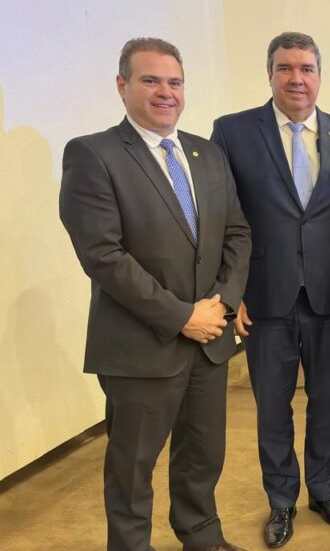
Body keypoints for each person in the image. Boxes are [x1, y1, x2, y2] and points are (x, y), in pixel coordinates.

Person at [59, 37, 251, 551]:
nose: (166, 92)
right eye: (150, 80)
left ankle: (202, 537)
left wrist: (222, 304)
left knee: (202, 456)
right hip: (141, 346)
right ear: (122, 86)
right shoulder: (93, 154)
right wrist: (181, 316)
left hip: (209, 341)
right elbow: (103, 255)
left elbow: (237, 233)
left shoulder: (206, 153)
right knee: (132, 469)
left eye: (174, 82)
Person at [211, 32, 330, 547]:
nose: (296, 78)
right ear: (270, 74)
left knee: (327, 402)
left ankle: (324, 490)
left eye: (306, 69)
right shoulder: (233, 132)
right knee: (272, 406)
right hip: (264, 299)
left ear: (320, 76)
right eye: (285, 68)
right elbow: (220, 218)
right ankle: (281, 500)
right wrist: (229, 292)